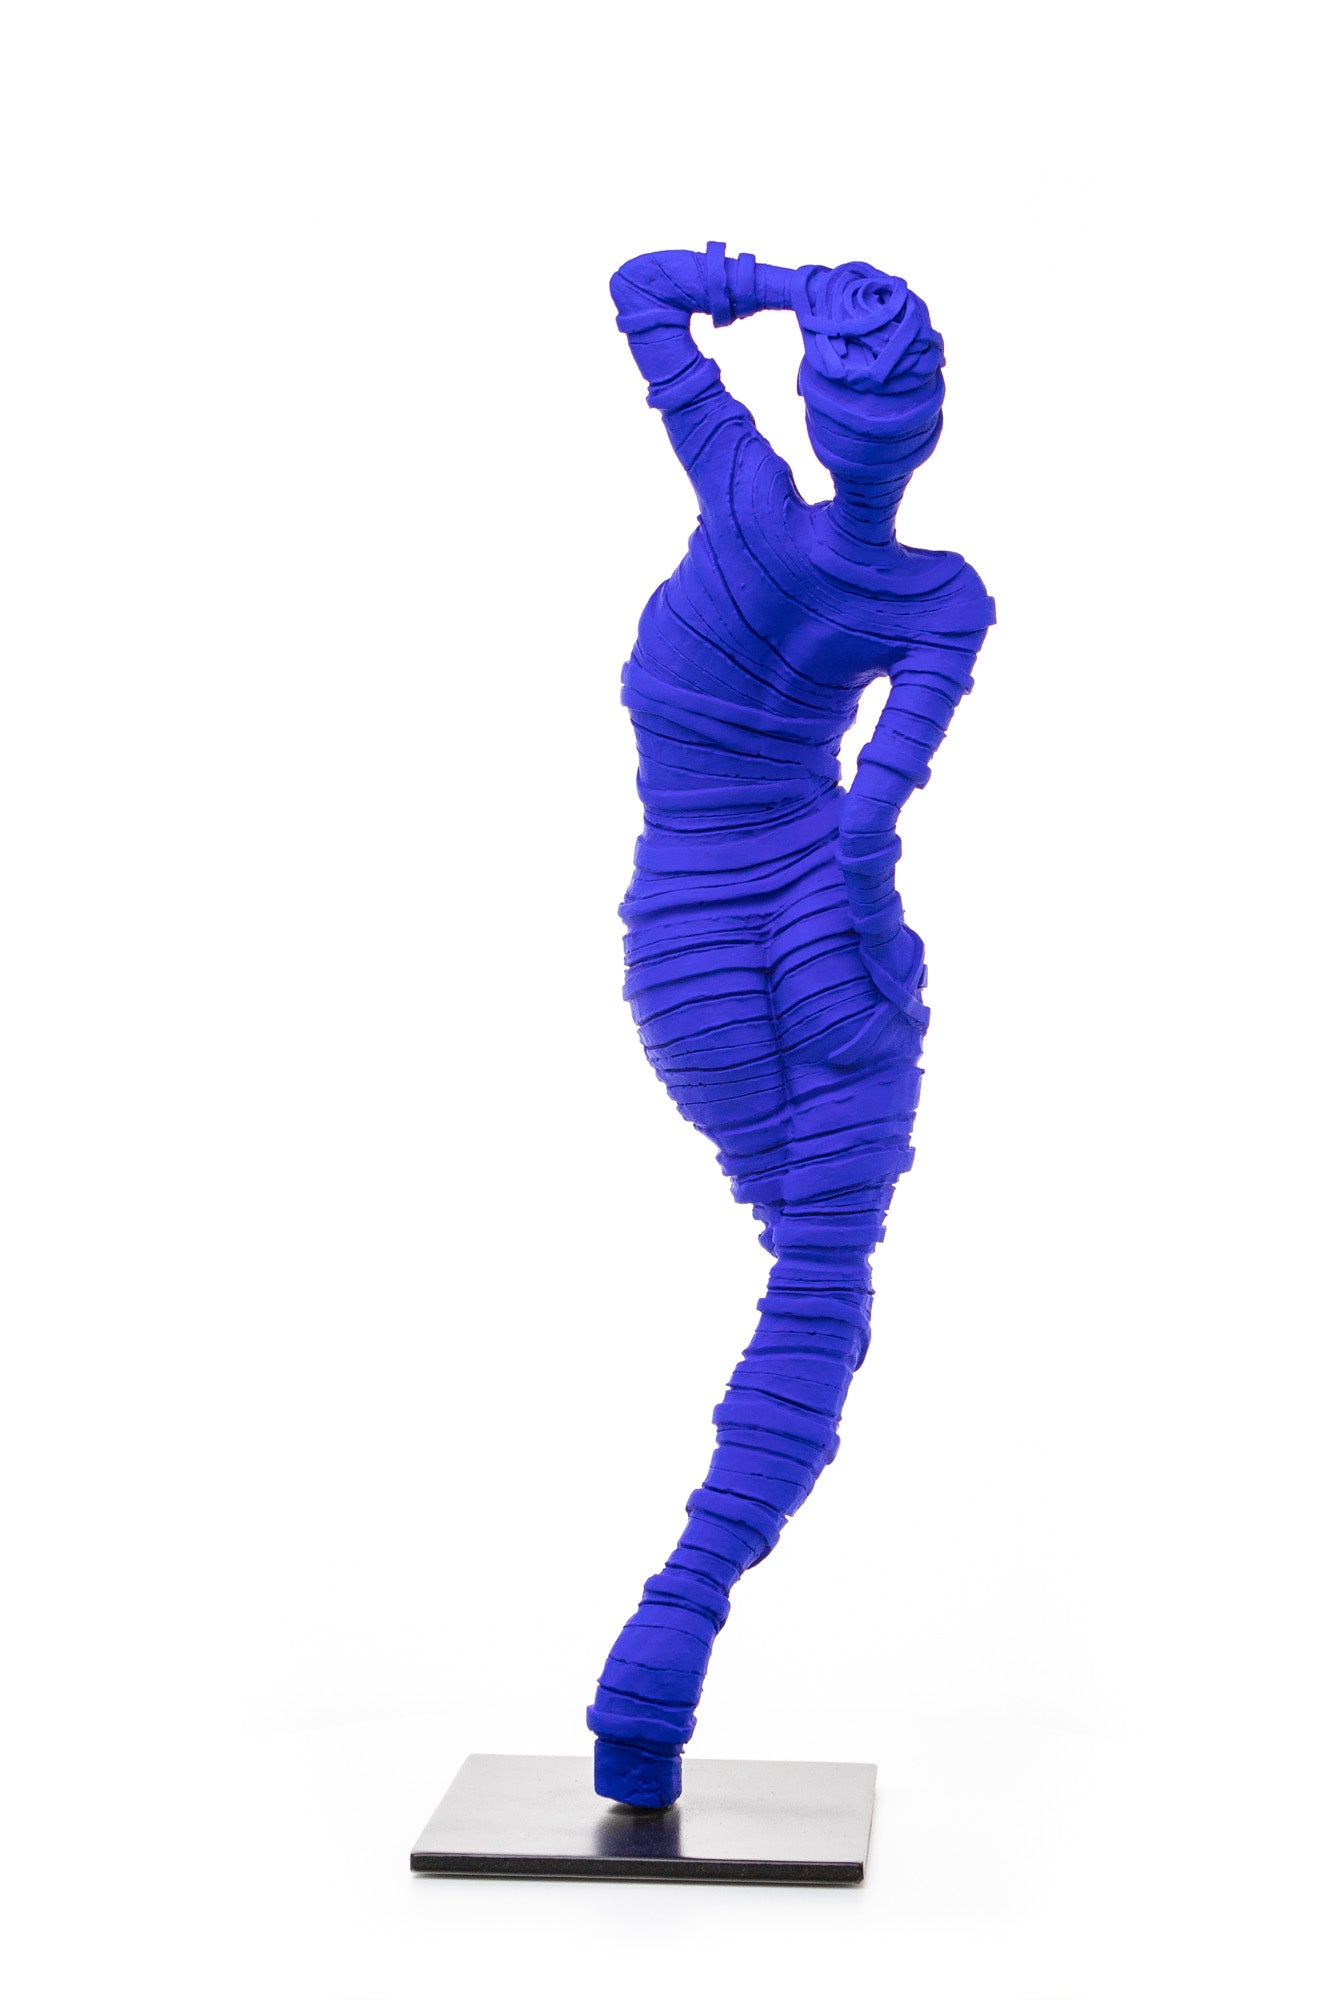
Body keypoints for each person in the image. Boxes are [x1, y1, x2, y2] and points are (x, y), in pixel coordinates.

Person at [587, 245, 995, 1809]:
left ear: (817, 409)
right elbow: (875, 819)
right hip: (827, 936)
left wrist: (783, 281)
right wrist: (866, 941)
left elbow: (641, 289)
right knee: (819, 1282)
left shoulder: (743, 497)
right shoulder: (941, 598)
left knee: (809, 1276)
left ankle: (656, 1683)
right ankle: (669, 1637)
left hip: (689, 944)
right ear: (923, 433)